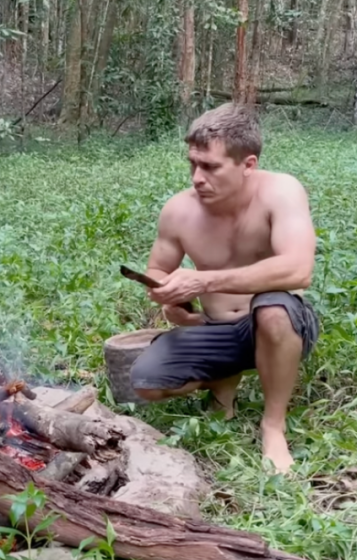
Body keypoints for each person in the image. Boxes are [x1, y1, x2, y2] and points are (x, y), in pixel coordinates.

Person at [128, 103, 319, 475]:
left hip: (278, 324)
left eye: (211, 167)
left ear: (248, 164)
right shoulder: (179, 210)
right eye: (193, 164)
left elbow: (299, 269)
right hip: (215, 327)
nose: (197, 178)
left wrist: (204, 280)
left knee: (273, 311)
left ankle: (273, 426)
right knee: (145, 381)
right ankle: (223, 380)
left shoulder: (281, 191)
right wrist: (169, 298)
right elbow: (158, 269)